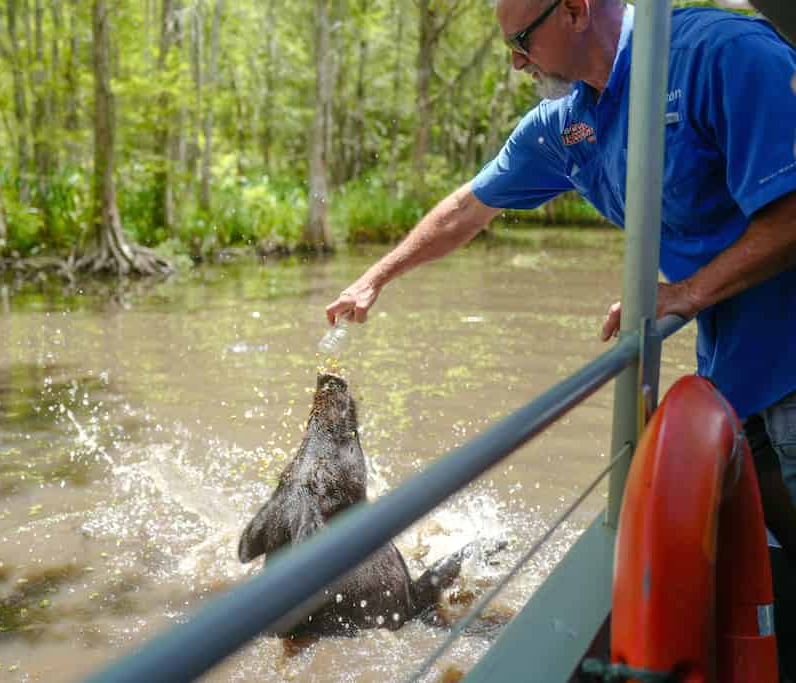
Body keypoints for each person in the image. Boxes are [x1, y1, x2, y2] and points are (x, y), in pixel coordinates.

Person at [325, 0, 796, 566]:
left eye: (522, 40)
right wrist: (374, 279)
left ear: (575, 10)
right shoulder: (567, 125)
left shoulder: (720, 53)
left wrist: (687, 293)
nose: (517, 63)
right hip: (736, 377)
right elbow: (466, 211)